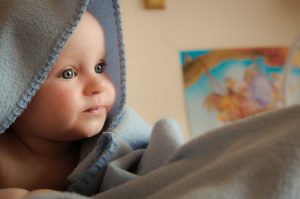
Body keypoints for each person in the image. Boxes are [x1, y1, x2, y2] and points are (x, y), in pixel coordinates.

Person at [2, 1, 300, 199]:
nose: (98, 85)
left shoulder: (112, 145)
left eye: (100, 67)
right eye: (68, 73)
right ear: (15, 87)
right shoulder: (6, 158)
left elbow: (159, 170)